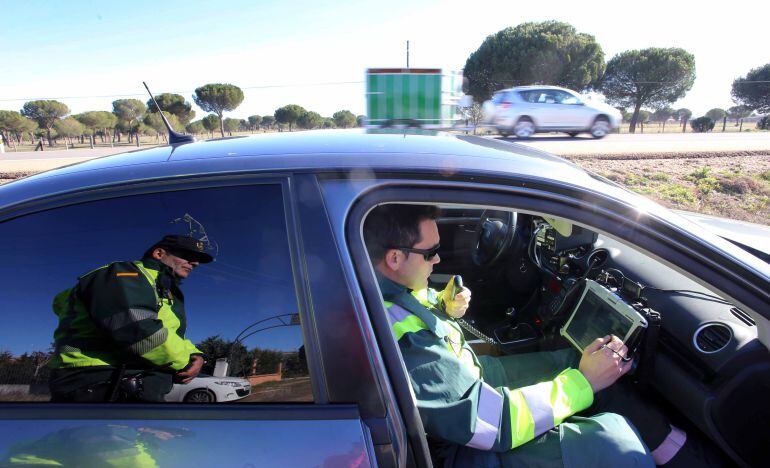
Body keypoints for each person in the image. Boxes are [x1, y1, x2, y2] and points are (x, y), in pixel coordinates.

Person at [364, 204, 656, 467]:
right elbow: (492, 422)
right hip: (460, 445)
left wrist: (442, 304)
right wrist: (584, 382)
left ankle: (674, 448)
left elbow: (410, 304)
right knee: (615, 445)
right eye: (430, 253)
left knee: (574, 358)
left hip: (470, 377)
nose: (438, 259)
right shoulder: (407, 343)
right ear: (394, 258)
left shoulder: (380, 286)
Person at [48, 235, 213, 403]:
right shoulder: (126, 274)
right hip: (98, 379)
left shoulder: (161, 287)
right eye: (188, 255)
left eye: (198, 259)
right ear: (159, 253)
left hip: (127, 380)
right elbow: (135, 327)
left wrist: (195, 354)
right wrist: (184, 362)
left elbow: (169, 332)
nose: (195, 263)